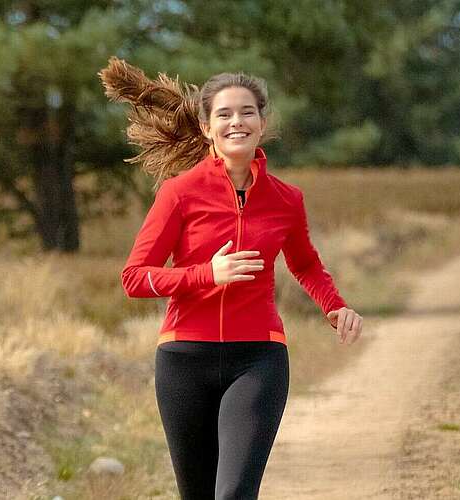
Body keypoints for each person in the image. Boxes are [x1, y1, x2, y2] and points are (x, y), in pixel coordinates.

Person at [99, 57, 365, 499]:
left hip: (257, 359)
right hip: (184, 360)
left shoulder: (286, 199)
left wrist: (334, 305)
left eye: (246, 112)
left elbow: (305, 264)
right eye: (223, 114)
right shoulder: (179, 193)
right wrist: (207, 274)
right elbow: (134, 278)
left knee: (235, 494)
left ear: (262, 123)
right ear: (207, 127)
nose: (236, 122)